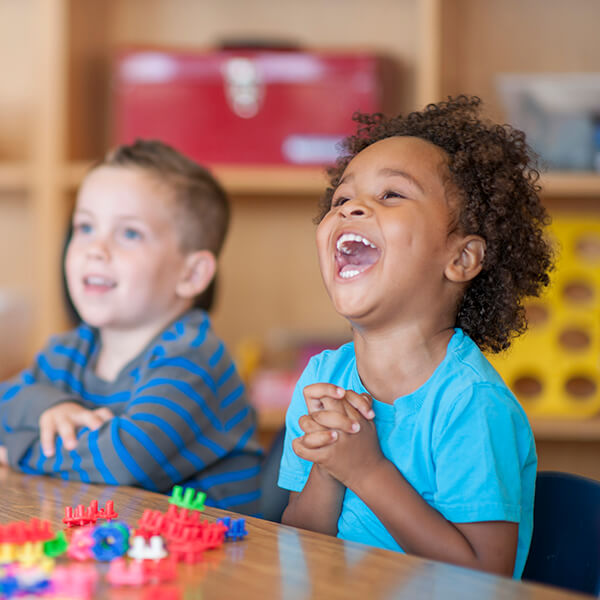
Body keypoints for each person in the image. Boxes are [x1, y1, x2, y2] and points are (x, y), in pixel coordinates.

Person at [278, 96, 554, 576]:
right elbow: (298, 542)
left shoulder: (471, 402)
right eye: (342, 199)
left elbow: (487, 576)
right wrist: (329, 465)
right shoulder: (323, 378)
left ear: (462, 259)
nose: (352, 208)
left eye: (392, 195)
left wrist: (365, 469)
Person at [0, 140, 262, 515]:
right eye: (85, 226)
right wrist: (48, 408)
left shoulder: (192, 358)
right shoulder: (67, 352)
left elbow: (122, 459)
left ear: (191, 274)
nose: (96, 249)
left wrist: (18, 449)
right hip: (122, 545)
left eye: (129, 234)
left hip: (219, 554)